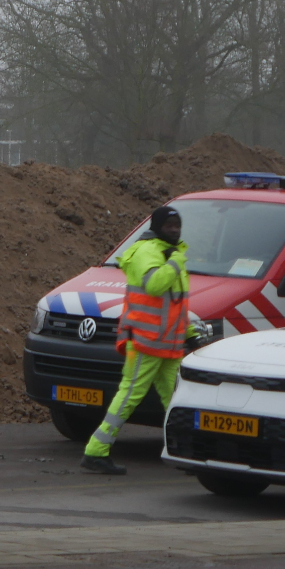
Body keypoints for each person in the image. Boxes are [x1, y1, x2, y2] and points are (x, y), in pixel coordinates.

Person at [80, 204, 197, 476]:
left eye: (177, 225)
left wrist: (189, 335)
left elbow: (174, 303)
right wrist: (175, 263)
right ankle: (95, 451)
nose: (175, 230)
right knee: (130, 396)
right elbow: (155, 285)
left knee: (176, 399)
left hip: (168, 344)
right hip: (145, 342)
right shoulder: (149, 252)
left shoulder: (170, 253)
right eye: (169, 226)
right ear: (157, 228)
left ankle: (186, 452)